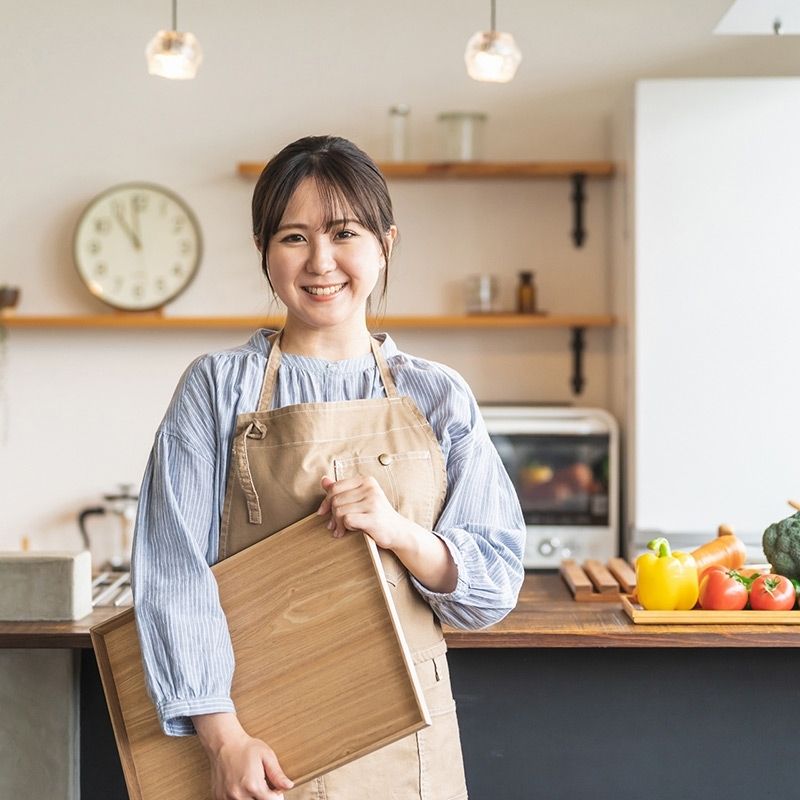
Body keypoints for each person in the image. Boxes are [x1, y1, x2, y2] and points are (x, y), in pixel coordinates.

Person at [132, 135, 526, 800]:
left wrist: (398, 532)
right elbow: (173, 571)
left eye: (344, 233)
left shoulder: (438, 395)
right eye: (293, 237)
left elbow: (492, 585)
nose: (320, 262)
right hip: (258, 741)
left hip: (409, 745)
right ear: (263, 250)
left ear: (385, 244)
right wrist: (225, 741)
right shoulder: (217, 388)